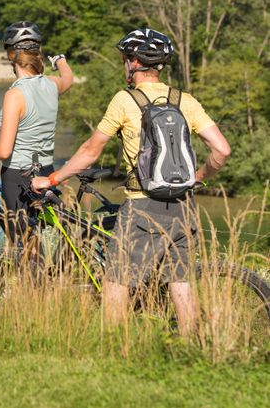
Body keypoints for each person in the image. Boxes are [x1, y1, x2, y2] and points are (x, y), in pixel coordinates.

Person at [32, 28, 231, 336]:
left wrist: (53, 178)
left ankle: (114, 349)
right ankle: (193, 346)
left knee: (117, 279)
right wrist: (197, 178)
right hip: (183, 206)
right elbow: (222, 150)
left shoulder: (125, 101)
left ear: (134, 62)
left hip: (142, 205)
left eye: (125, 59)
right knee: (180, 281)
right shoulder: (185, 101)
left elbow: (89, 151)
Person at [0, 21, 74, 241]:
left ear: (11, 55)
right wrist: (61, 60)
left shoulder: (15, 95)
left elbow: (3, 151)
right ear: (38, 52)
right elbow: (68, 79)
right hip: (46, 171)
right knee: (38, 238)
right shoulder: (52, 84)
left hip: (18, 176)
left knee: (24, 244)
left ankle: (33, 275)